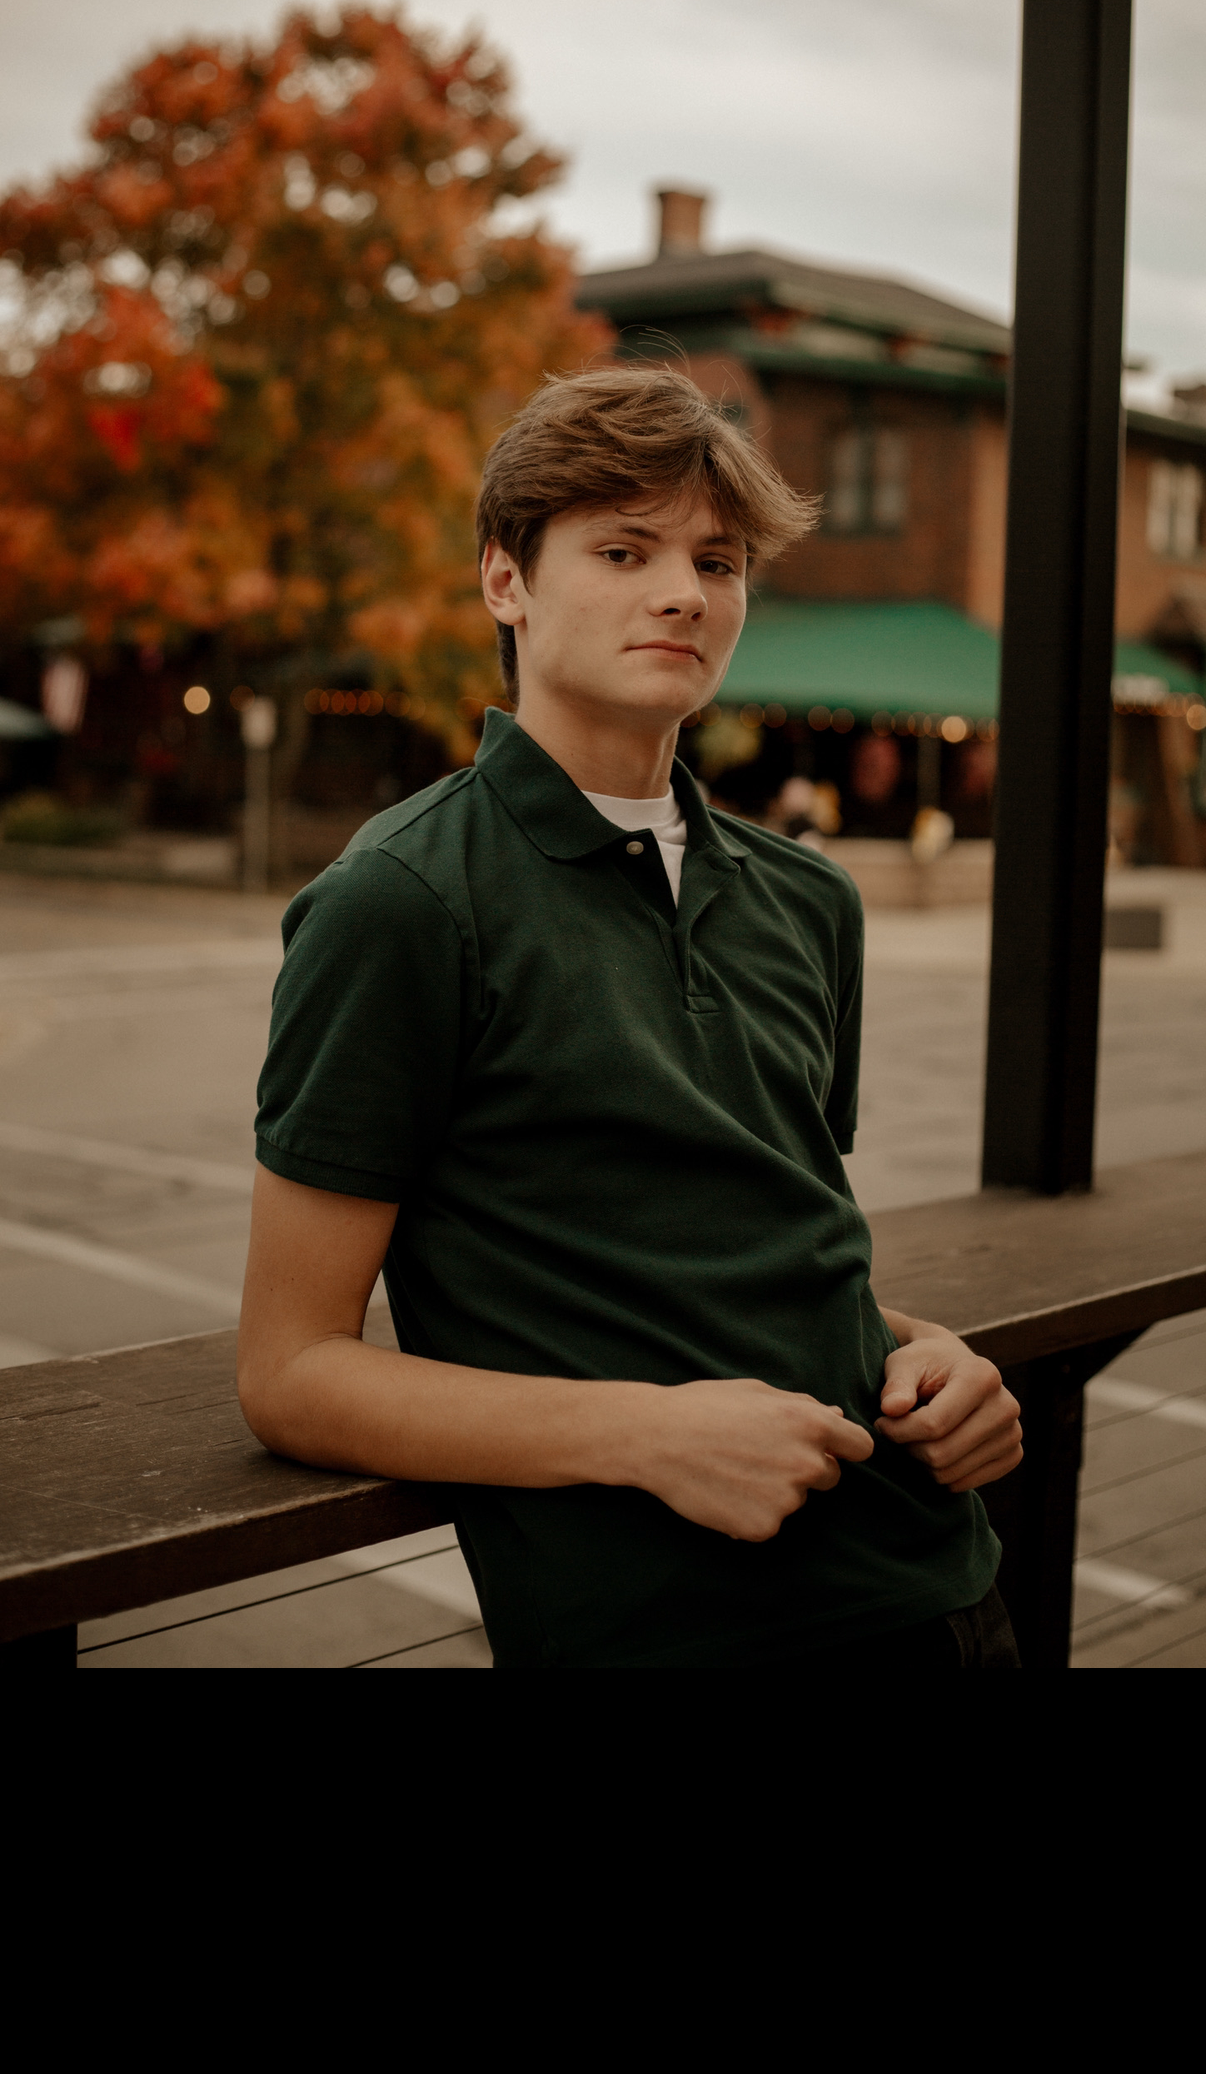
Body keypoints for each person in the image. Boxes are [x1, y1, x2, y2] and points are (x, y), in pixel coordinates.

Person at [240, 366, 1022, 1669]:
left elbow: (752, 1259)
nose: (684, 593)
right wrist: (646, 1434)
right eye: (622, 550)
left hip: (944, 1586)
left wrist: (933, 1354)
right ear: (507, 581)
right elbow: (290, 1371)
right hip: (662, 1628)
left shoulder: (809, 899)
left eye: (717, 562)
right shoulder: (402, 902)